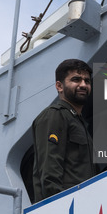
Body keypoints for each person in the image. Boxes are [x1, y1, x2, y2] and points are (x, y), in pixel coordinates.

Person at [32, 59, 97, 203]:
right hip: (64, 209)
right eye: (76, 80)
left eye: (87, 81)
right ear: (59, 86)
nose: (83, 85)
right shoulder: (55, 115)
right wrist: (60, 205)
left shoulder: (79, 122)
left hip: (84, 206)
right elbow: (49, 173)